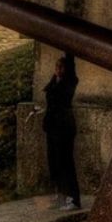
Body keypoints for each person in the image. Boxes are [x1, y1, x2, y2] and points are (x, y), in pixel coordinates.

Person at [42, 54, 81, 210]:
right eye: (56, 67)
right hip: (53, 127)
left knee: (66, 163)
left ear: (67, 69)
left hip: (64, 128)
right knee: (55, 162)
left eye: (61, 67)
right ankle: (61, 196)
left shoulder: (69, 81)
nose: (58, 70)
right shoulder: (54, 82)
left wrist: (69, 55)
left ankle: (74, 199)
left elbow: (71, 64)